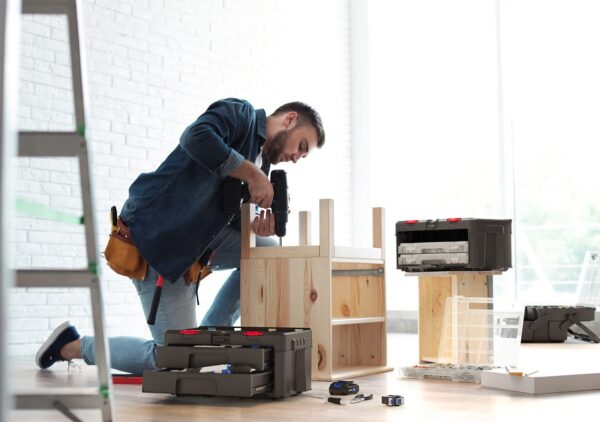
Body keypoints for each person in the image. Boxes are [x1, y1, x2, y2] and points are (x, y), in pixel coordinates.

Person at [35, 98, 325, 374]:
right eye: (301, 146)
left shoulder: (262, 164)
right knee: (175, 360)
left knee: (268, 254)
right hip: (160, 237)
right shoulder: (241, 115)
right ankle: (71, 346)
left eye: (303, 155)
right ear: (289, 119)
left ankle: (209, 339)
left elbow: (224, 216)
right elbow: (195, 137)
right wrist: (251, 174)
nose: (296, 158)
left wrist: (255, 227)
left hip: (195, 243)